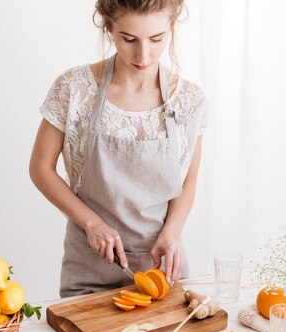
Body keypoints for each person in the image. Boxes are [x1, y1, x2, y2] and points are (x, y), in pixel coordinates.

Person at [30, 0, 207, 297]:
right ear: (108, 26)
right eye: (129, 39)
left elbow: (187, 180)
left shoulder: (189, 100)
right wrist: (92, 223)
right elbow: (40, 169)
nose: (143, 55)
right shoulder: (74, 89)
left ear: (172, 28)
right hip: (89, 270)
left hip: (163, 273)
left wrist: (172, 233)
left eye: (156, 39)